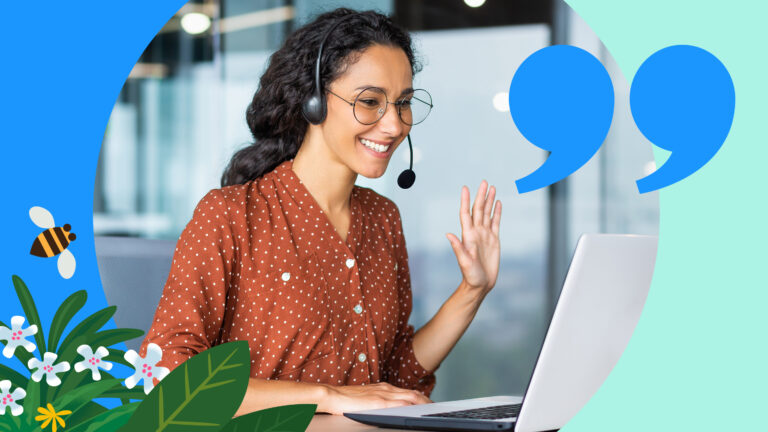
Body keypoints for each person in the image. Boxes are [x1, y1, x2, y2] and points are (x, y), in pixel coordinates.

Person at [139, 7, 502, 416]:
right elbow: (168, 376)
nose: (394, 125)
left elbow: (396, 376)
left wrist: (474, 290)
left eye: (402, 103)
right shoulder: (228, 215)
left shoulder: (383, 219)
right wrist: (327, 395)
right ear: (312, 100)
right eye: (370, 102)